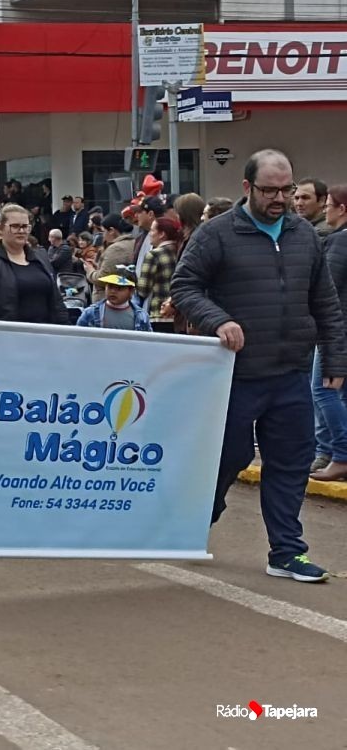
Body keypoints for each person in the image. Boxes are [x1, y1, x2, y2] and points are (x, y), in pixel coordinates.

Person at [171, 149, 346, 583]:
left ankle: (287, 551)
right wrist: (218, 320)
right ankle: (196, 518)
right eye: (269, 190)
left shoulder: (305, 235)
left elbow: (325, 302)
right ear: (247, 187)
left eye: (287, 189)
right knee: (228, 457)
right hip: (234, 375)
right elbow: (185, 286)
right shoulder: (217, 234)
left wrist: (335, 357)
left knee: (290, 463)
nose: (280, 198)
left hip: (291, 373)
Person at [0, 205, 68, 324]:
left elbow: (57, 304)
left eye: (25, 227)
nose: (21, 231)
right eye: (15, 226)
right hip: (5, 333)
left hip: (45, 332)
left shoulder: (41, 258)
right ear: (1, 228)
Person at [311, 183, 347, 479]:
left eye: (328, 206)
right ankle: (331, 452)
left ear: (342, 209)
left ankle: (342, 454)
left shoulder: (340, 242)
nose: (325, 211)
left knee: (323, 390)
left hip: (336, 331)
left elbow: (328, 290)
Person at [136, 215, 180, 333]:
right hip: (179, 314)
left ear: (162, 234)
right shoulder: (181, 251)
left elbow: (143, 289)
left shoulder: (153, 255)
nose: (150, 234)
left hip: (158, 313)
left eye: (152, 230)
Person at [76, 274, 152, 331]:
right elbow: (78, 336)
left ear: (131, 291)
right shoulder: (90, 313)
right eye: (110, 287)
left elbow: (148, 341)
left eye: (119, 288)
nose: (113, 291)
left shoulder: (141, 317)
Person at [88, 213, 136, 303]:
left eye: (103, 231)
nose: (103, 235)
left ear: (111, 231)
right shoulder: (132, 242)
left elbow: (103, 278)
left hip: (109, 300)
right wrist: (98, 266)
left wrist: (90, 271)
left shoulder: (116, 248)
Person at [133, 196, 165, 279]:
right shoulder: (140, 239)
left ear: (150, 214)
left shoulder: (165, 238)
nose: (136, 215)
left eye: (139, 212)